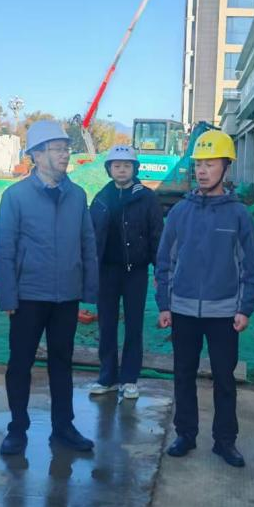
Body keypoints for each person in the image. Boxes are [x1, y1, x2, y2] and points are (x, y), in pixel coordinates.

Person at [155, 130, 254, 468]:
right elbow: (165, 261)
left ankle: (225, 441)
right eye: (198, 164)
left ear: (226, 167)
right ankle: (185, 434)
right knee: (183, 375)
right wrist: (164, 304)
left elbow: (249, 265)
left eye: (210, 164)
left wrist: (245, 308)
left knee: (224, 380)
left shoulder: (239, 215)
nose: (202, 171)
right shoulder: (179, 212)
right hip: (183, 310)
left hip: (224, 313)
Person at [0, 120, 99, 456]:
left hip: (66, 296)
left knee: (62, 363)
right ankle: (17, 429)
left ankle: (63, 427)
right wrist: (8, 296)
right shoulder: (15, 197)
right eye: (57, 149)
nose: (65, 155)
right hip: (28, 297)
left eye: (66, 148)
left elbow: (87, 243)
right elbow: (5, 249)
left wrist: (89, 293)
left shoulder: (77, 196)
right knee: (20, 363)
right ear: (37, 155)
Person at [88, 145, 164, 401]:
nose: (122, 170)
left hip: (136, 273)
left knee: (134, 325)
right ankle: (107, 377)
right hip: (106, 272)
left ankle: (130, 379)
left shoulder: (147, 198)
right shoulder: (101, 198)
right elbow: (90, 235)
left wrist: (159, 270)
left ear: (135, 169)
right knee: (106, 324)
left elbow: (157, 235)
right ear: (109, 169)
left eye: (127, 165)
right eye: (117, 165)